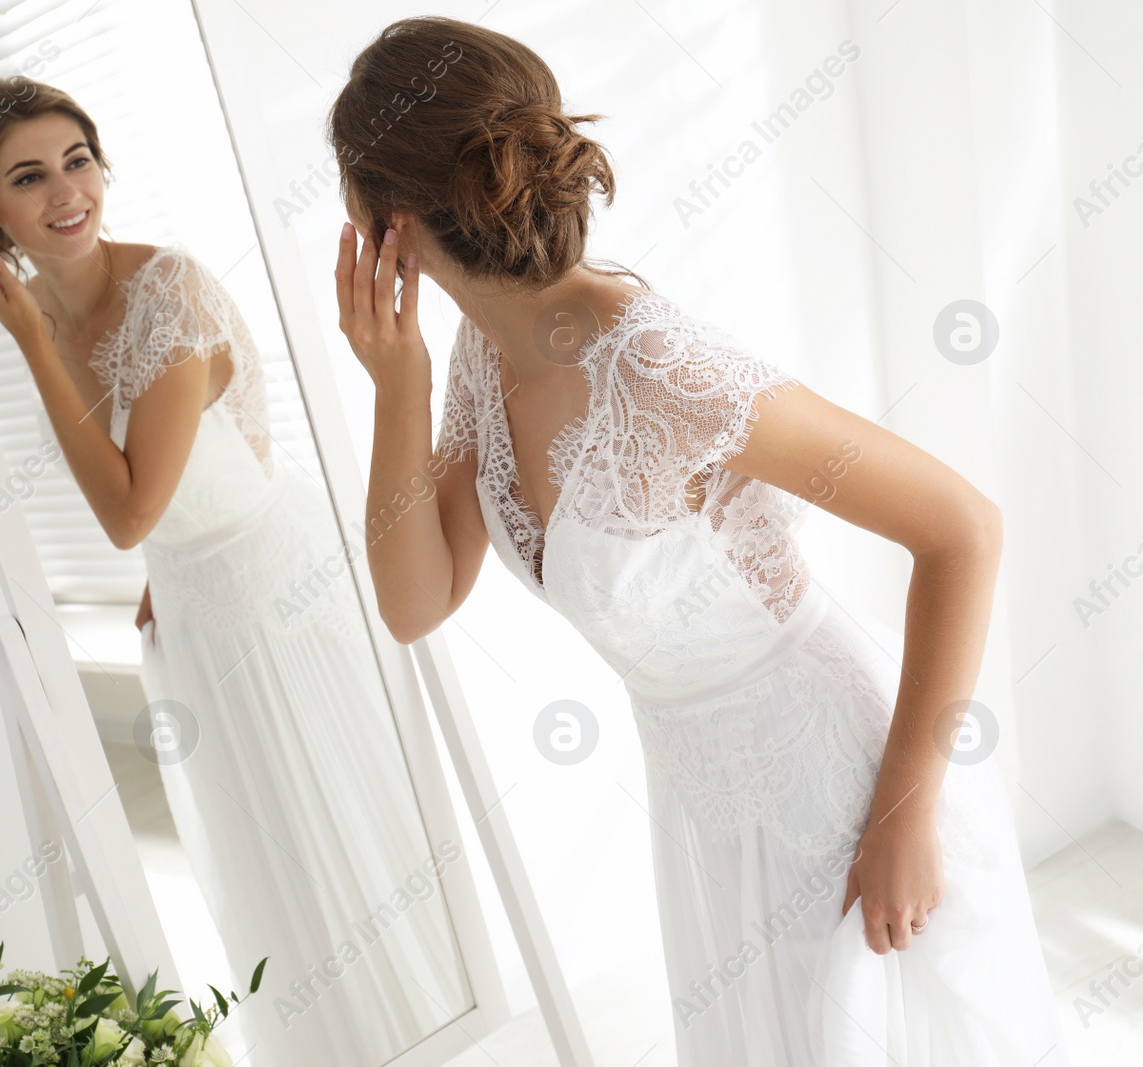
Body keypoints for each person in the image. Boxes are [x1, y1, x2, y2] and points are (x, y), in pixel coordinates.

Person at [330, 16, 1072, 1065]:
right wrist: (394, 384)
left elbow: (961, 527)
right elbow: (413, 603)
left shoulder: (662, 367)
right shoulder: (474, 362)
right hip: (705, 818)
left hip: (847, 785)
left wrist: (906, 813)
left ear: (380, 219)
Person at [0, 77, 469, 1066]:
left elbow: (128, 506)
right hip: (192, 616)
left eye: (77, 160)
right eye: (30, 176)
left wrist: (27, 342)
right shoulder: (57, 314)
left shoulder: (165, 288)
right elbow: (162, 503)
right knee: (273, 868)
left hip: (278, 599)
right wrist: (168, 567)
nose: (67, 191)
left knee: (350, 847)